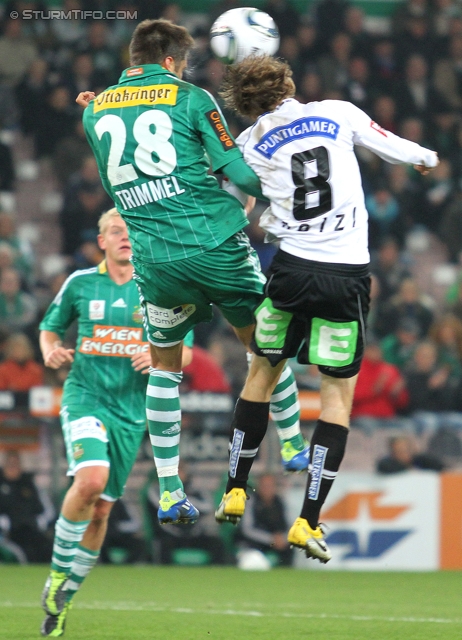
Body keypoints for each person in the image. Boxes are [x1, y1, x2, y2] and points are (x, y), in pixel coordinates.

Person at [77, 18, 308, 529]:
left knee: (163, 369)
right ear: (168, 61)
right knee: (264, 343)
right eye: (183, 63)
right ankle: (292, 443)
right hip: (214, 243)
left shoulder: (95, 111)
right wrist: (287, 193)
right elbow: (235, 169)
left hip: (155, 259)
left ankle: (169, 490)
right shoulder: (191, 98)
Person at [214, 54, 438, 563]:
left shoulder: (247, 144)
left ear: (246, 104)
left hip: (290, 273)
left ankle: (234, 485)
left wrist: (267, 215)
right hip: (345, 278)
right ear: (289, 82)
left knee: (261, 376)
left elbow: (235, 199)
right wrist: (427, 156)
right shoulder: (337, 112)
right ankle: (307, 520)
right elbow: (393, 147)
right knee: (337, 399)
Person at [38, 208, 193, 637]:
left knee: (102, 511)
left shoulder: (160, 286)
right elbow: (50, 328)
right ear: (101, 241)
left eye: (131, 231)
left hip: (132, 411)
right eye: (115, 231)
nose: (125, 237)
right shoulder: (80, 283)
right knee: (89, 481)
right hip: (85, 396)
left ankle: (64, 599)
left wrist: (162, 355)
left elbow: (188, 350)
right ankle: (54, 578)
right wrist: (51, 350)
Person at [0, 450, 54, 563]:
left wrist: (40, 522)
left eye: (15, 464)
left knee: (47, 548)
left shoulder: (29, 484)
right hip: (9, 533)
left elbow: (48, 510)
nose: (13, 468)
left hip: (32, 530)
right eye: (10, 465)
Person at [238, 474, 293, 567]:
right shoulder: (251, 502)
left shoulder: (280, 502)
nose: (267, 489)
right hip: (256, 542)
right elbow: (247, 529)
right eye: (264, 486)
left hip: (276, 543)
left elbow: (289, 526)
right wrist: (271, 539)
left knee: (289, 549)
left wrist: (282, 539)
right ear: (258, 486)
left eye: (270, 486)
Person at [376, 435, 444, 473]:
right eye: (400, 451)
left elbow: (439, 465)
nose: (404, 453)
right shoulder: (387, 464)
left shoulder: (419, 460)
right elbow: (383, 467)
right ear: (393, 453)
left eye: (407, 449)